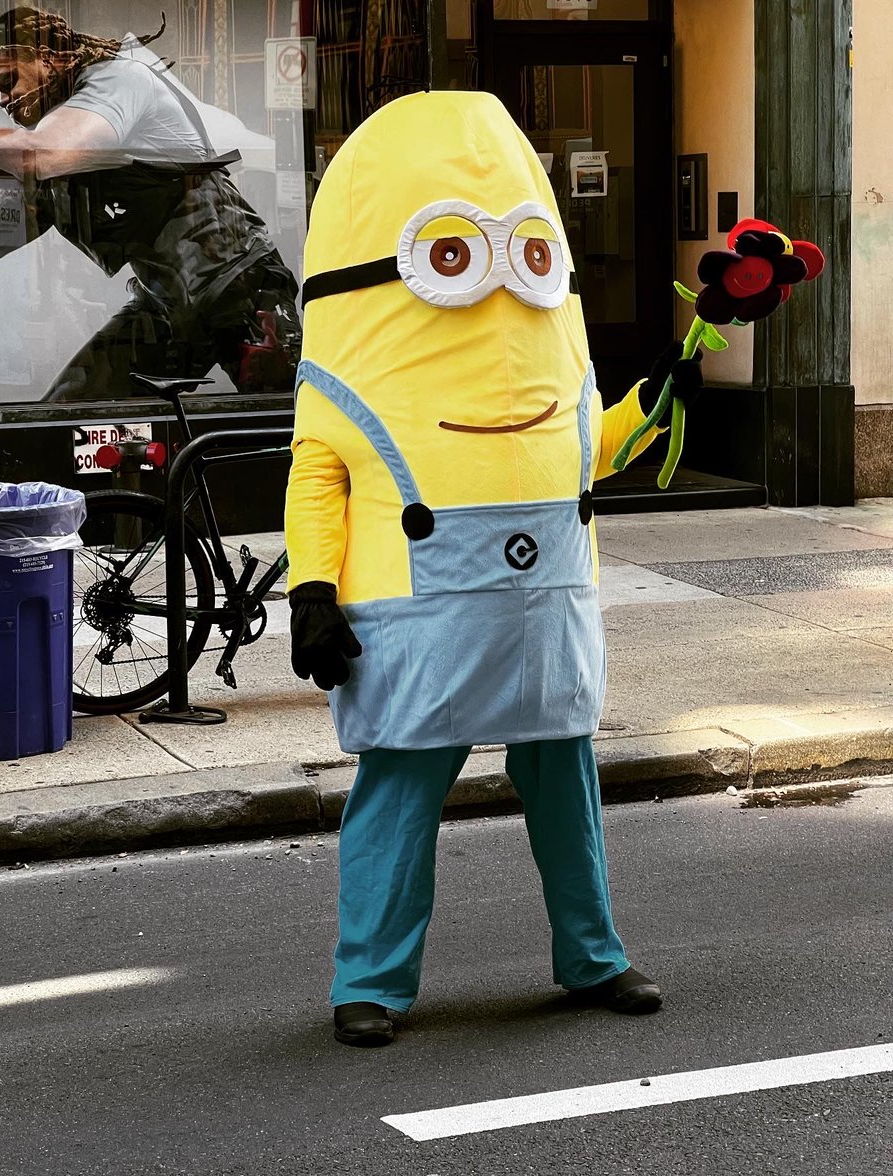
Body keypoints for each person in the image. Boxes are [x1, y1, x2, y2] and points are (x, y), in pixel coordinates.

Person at [284, 89, 702, 1048]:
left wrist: (660, 394)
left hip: (538, 605)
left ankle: (592, 956)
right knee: (399, 788)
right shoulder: (356, 346)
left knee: (565, 779)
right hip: (416, 608)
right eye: (450, 255)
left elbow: (585, 451)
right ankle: (371, 981)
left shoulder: (555, 342)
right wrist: (311, 591)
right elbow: (318, 476)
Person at [0, 6, 300, 402]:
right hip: (166, 306)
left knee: (284, 422)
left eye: (9, 82)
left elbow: (41, 154)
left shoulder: (119, 79)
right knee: (67, 415)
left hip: (240, 282)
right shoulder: (50, 168)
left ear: (49, 56)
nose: (4, 100)